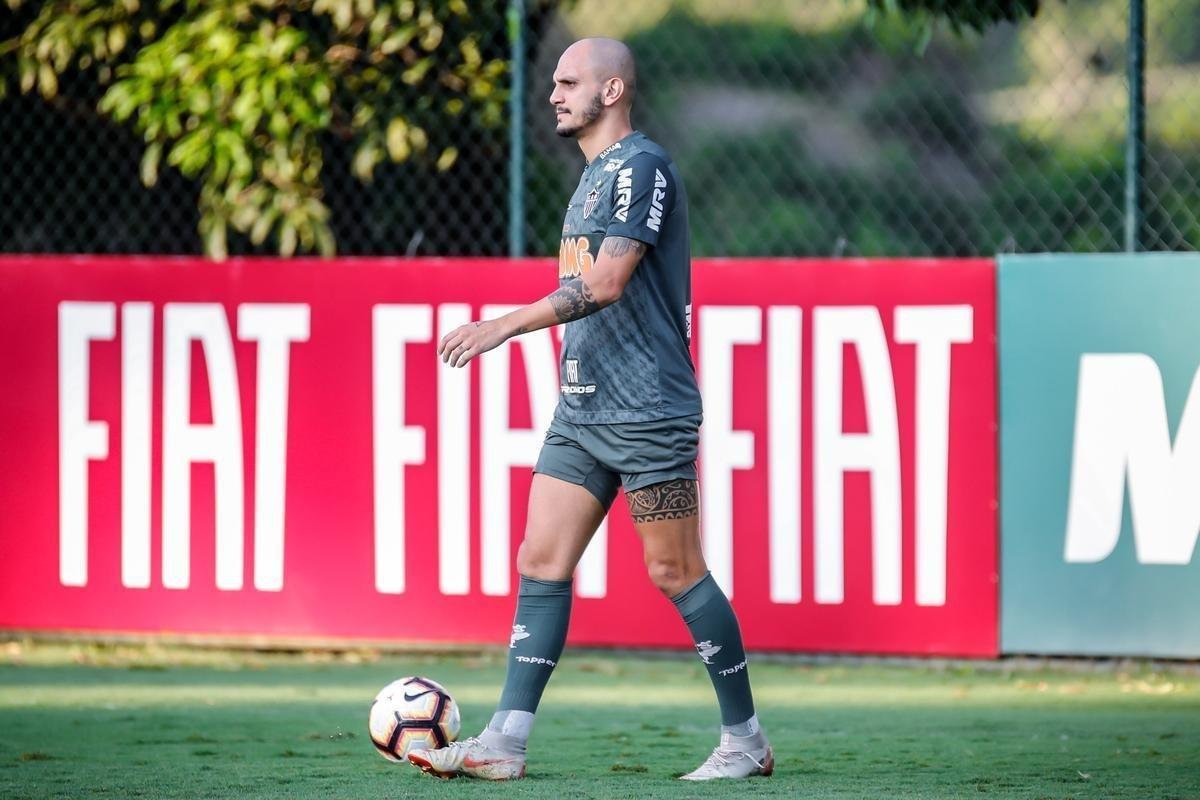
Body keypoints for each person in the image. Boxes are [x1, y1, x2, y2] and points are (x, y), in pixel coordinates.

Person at [406, 37, 772, 782]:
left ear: (611, 90)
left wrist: (500, 325)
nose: (553, 94)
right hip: (582, 411)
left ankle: (746, 741)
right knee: (540, 559)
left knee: (675, 570)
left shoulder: (641, 166)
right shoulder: (592, 176)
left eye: (569, 82)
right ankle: (504, 741)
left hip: (648, 412)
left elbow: (605, 284)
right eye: (554, 82)